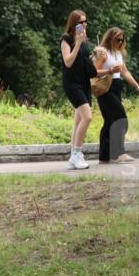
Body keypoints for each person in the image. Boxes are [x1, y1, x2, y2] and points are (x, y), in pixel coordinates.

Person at [96, 27, 139, 163]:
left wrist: (137, 86)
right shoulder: (102, 52)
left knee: (109, 121)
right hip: (105, 88)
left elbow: (125, 72)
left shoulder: (118, 53)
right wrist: (110, 70)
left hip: (117, 87)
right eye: (117, 39)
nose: (120, 42)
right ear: (110, 38)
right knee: (120, 118)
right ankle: (119, 153)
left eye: (122, 40)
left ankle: (104, 156)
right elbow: (94, 71)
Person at [60, 10, 102, 170]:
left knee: (78, 121)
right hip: (72, 84)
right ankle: (77, 154)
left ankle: (73, 156)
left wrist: (95, 56)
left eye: (85, 22)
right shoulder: (66, 40)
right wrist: (77, 43)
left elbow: (83, 62)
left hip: (83, 83)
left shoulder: (85, 41)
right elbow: (68, 62)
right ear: (73, 24)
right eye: (80, 22)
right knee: (87, 117)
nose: (84, 25)